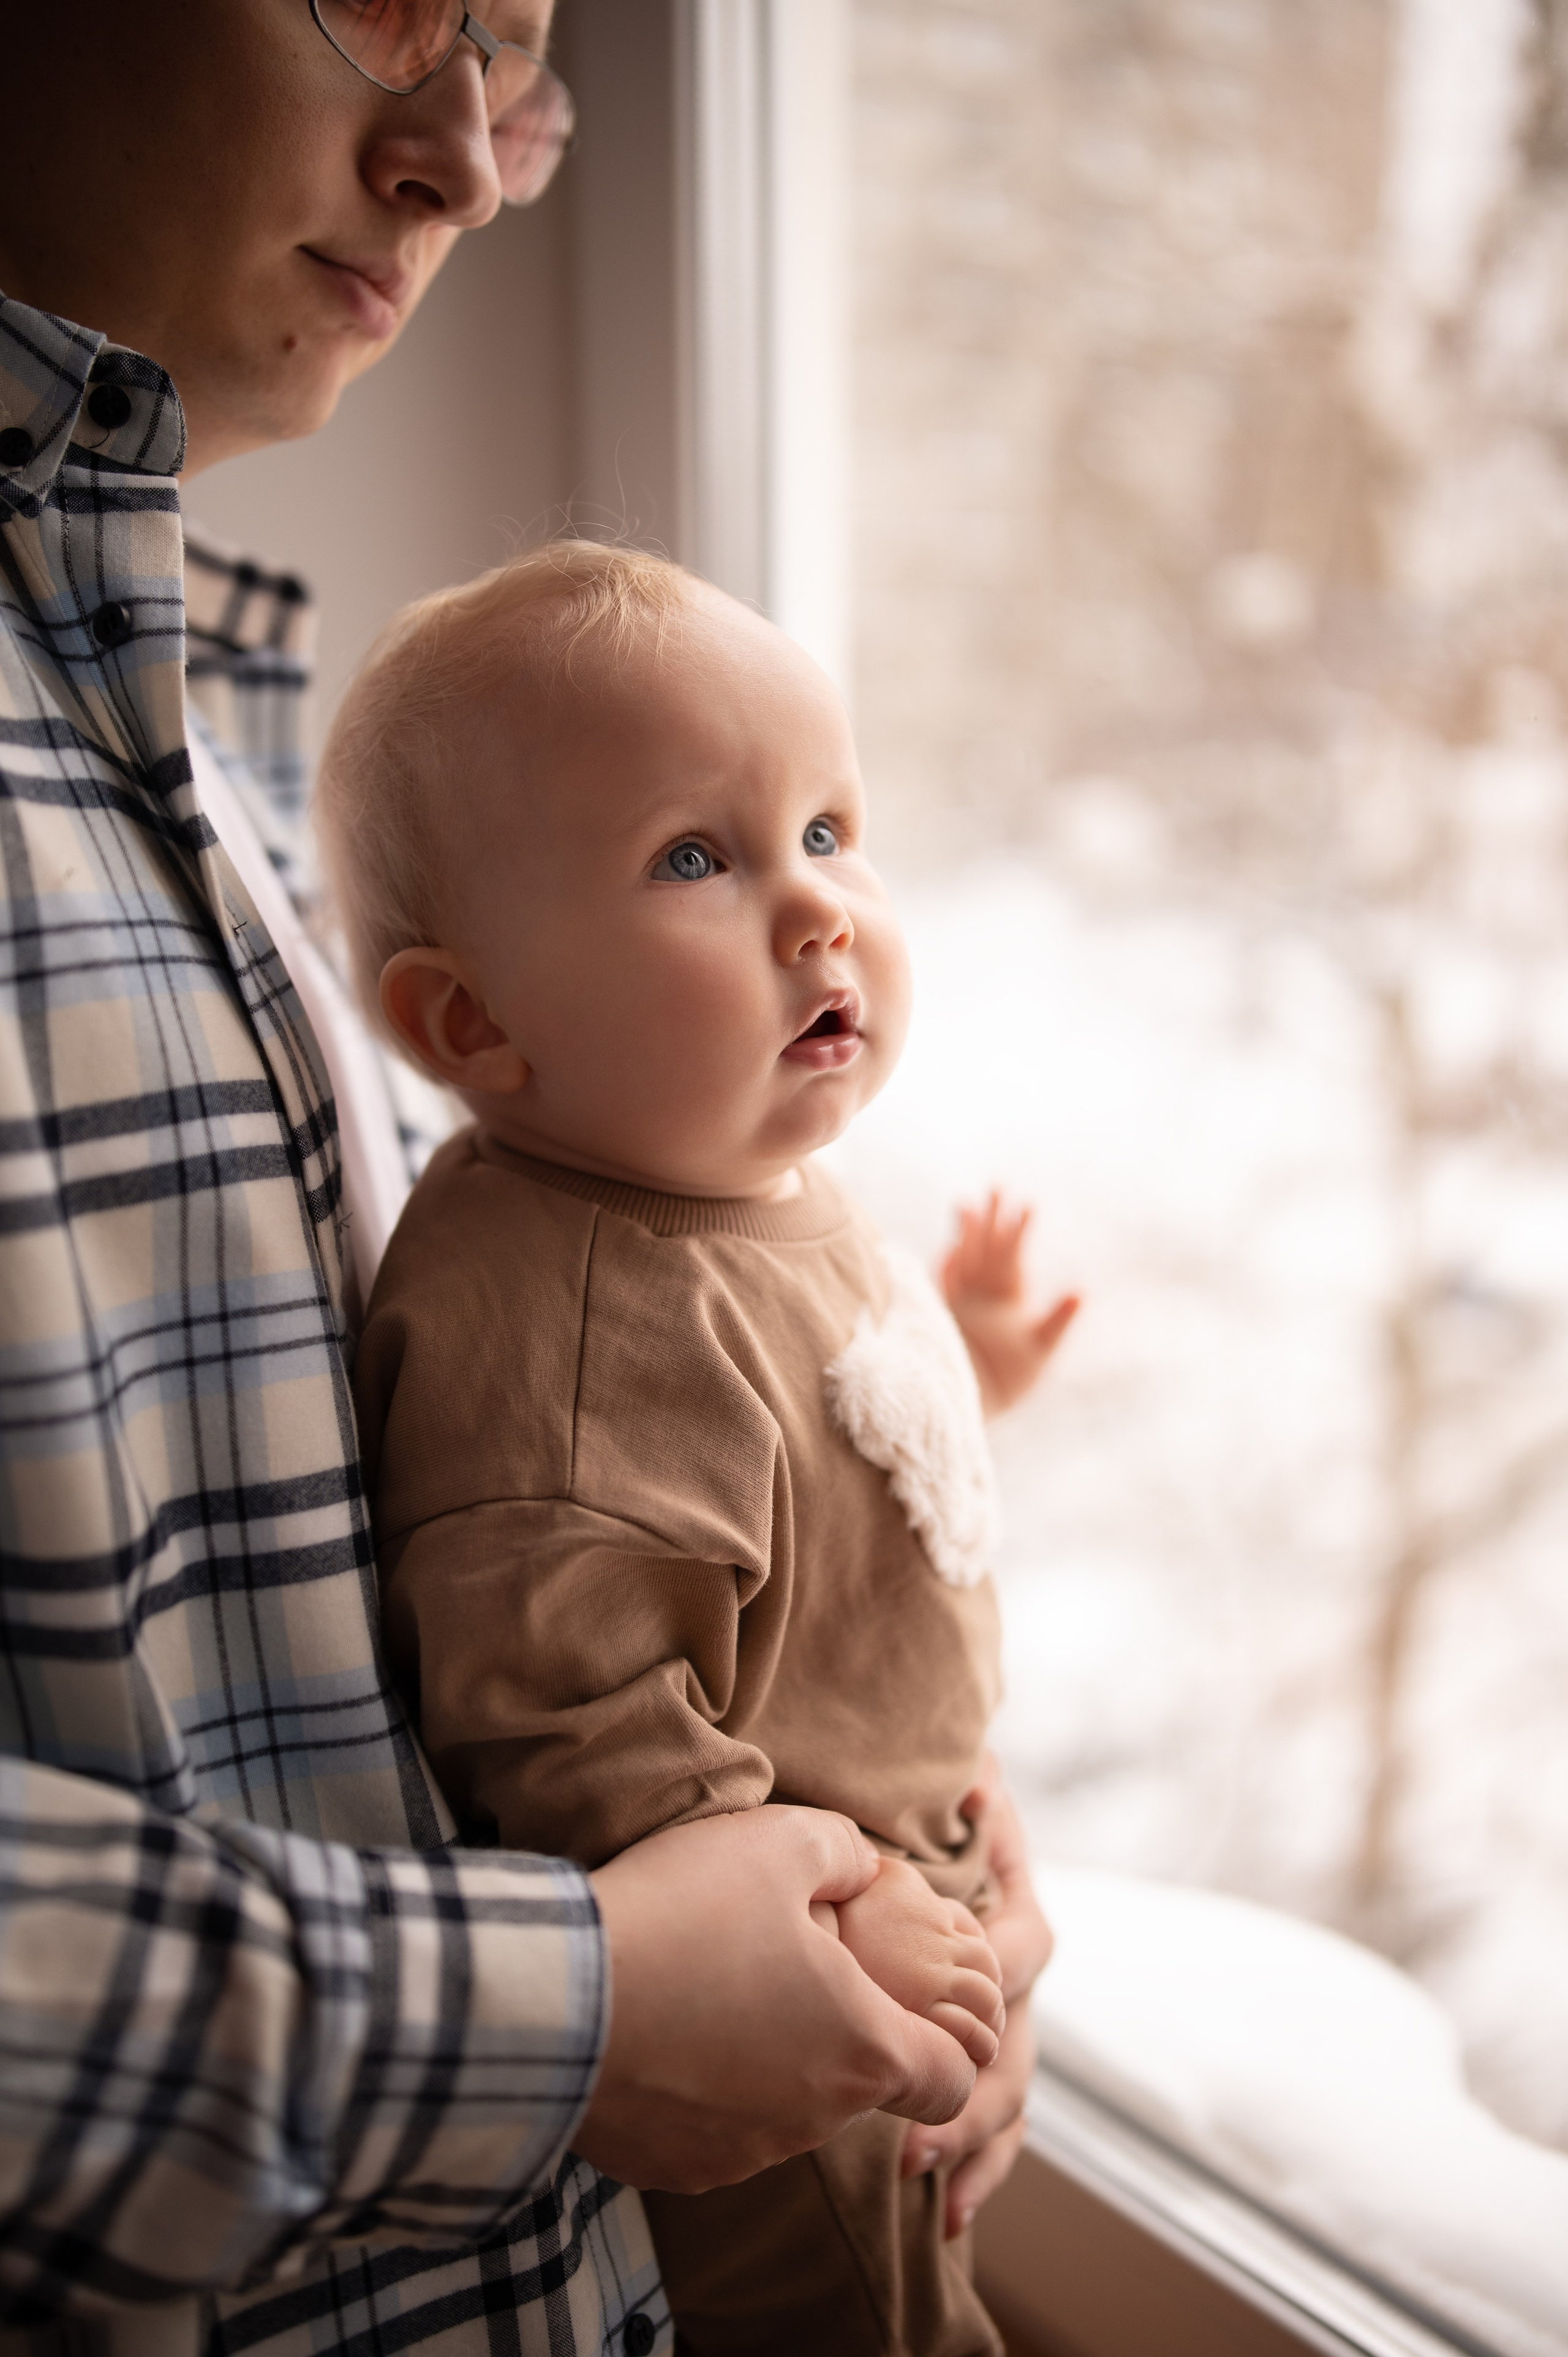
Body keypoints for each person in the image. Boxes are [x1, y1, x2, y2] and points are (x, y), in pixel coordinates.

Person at [0, 6, 1052, 2353]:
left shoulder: (182, 753)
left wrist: (949, 1831)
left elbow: (791, 1528)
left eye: (832, 834)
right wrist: (597, 1987)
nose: (475, 159)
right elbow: (547, 1645)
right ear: (473, 1027)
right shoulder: (553, 1226)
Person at [322, 541, 1074, 2356]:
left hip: (914, 1904)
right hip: (787, 2012)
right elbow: (569, 1715)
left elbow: (812, 1444)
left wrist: (955, 1360)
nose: (818, 913)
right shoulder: (563, 1325)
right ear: (474, 1023)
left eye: (829, 830)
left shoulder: (723, 1168)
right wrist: (848, 1935)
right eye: (696, 859)